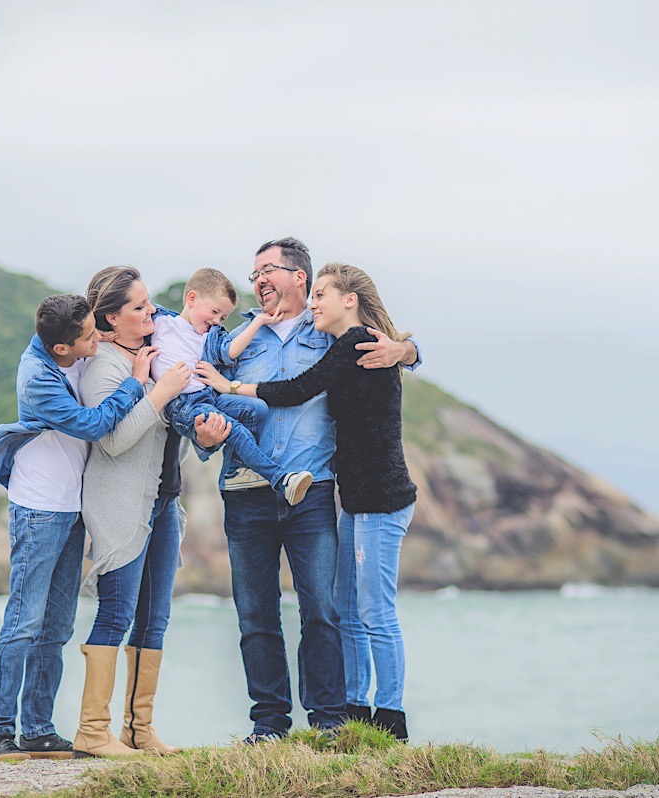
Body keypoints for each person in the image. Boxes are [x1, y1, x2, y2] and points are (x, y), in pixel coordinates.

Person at [192, 238, 420, 743]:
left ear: (300, 277)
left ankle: (330, 722)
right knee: (255, 616)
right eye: (253, 274)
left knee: (323, 609)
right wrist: (202, 436)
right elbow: (201, 397)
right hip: (245, 489)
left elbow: (389, 348)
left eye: (268, 270)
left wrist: (406, 349)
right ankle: (270, 725)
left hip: (313, 492)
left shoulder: (329, 335)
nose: (258, 281)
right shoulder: (235, 340)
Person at [0, 294, 146, 761]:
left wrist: (108, 335)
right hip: (38, 508)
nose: (99, 338)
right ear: (61, 349)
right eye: (90, 336)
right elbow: (91, 425)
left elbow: (105, 331)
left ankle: (37, 729)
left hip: (71, 508)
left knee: (56, 627)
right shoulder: (38, 379)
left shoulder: (71, 345)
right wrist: (134, 385)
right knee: (24, 622)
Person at [71, 266, 230, 757]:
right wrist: (157, 391)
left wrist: (204, 438)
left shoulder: (155, 353)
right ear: (111, 320)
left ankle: (138, 730)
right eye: (139, 307)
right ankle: (93, 732)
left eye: (148, 303)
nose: (151, 311)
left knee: (154, 621)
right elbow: (114, 440)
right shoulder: (107, 367)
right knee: (116, 615)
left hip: (164, 503)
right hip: (121, 506)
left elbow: (175, 427)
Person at [149, 267, 313, 505]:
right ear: (191, 299)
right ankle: (281, 479)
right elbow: (127, 315)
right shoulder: (161, 321)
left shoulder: (208, 336)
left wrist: (258, 322)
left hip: (208, 397)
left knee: (257, 408)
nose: (216, 321)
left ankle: (239, 467)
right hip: (183, 406)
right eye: (215, 312)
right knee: (235, 429)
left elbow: (230, 352)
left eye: (223, 318)